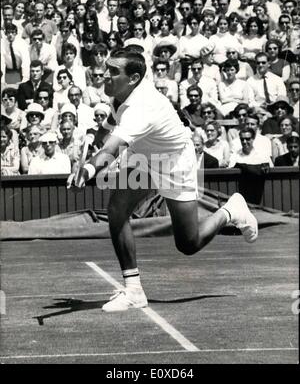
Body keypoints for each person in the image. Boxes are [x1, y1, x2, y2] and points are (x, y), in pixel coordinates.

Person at [67, 49, 258, 312]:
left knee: (188, 244)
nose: (105, 75)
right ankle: (134, 291)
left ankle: (230, 211)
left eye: (113, 71)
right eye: (106, 68)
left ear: (133, 78)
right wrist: (92, 146)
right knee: (117, 210)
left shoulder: (142, 108)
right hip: (143, 157)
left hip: (174, 162)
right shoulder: (120, 93)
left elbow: (110, 150)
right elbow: (110, 124)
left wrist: (87, 170)